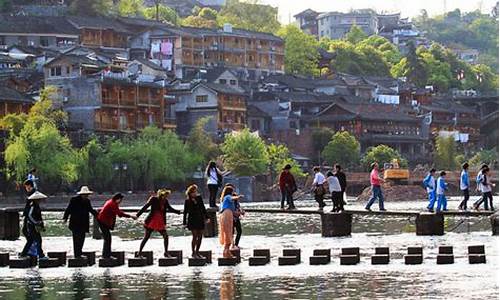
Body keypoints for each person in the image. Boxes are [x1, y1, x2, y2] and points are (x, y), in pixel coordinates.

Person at [136, 189, 180, 258]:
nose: (165, 197)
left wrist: (178, 212)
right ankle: (139, 253)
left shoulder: (165, 201)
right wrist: (137, 215)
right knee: (146, 237)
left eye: (166, 196)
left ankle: (166, 252)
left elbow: (170, 209)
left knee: (165, 236)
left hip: (160, 221)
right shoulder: (154, 199)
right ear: (161, 195)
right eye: (165, 196)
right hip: (152, 220)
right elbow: (145, 207)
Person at [97, 193, 137, 258]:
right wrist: (131, 216)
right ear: (117, 199)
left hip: (102, 221)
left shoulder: (111, 202)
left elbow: (118, 212)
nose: (121, 202)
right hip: (102, 222)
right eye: (120, 200)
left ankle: (106, 254)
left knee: (107, 238)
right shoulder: (112, 204)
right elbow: (119, 213)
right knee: (108, 238)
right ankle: (106, 255)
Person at [63, 186, 97, 258]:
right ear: (81, 194)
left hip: (83, 223)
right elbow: (68, 209)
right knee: (76, 239)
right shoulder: (74, 200)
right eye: (85, 194)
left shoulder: (87, 201)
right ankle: (77, 254)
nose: (86, 196)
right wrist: (65, 218)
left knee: (82, 238)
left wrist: (98, 215)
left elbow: (91, 210)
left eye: (87, 195)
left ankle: (79, 252)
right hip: (75, 223)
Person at [183, 185, 209, 258]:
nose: (195, 193)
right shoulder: (187, 201)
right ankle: (193, 252)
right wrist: (184, 223)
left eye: (196, 191)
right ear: (190, 193)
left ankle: (197, 251)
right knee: (194, 236)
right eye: (193, 192)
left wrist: (207, 217)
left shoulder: (199, 198)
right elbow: (185, 212)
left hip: (200, 219)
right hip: (192, 220)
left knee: (200, 236)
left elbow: (203, 208)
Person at [20, 191, 48, 259]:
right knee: (38, 240)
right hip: (31, 226)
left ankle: (23, 254)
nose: (40, 200)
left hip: (33, 225)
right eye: (39, 199)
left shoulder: (36, 205)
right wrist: (35, 222)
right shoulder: (32, 205)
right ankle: (41, 255)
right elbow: (29, 215)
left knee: (31, 240)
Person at [219, 185, 243, 258]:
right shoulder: (227, 197)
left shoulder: (227, 201)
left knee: (229, 232)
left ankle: (227, 251)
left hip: (229, 214)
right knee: (228, 232)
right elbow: (231, 198)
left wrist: (240, 213)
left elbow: (234, 211)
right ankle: (226, 251)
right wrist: (238, 197)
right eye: (232, 191)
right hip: (227, 214)